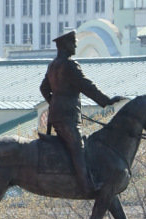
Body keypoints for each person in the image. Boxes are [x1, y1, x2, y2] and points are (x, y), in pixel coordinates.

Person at [39, 29, 123, 193]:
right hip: (67, 117)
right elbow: (87, 86)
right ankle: (86, 185)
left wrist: (54, 103)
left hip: (57, 115)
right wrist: (106, 101)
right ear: (65, 45)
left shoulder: (53, 65)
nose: (75, 46)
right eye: (73, 43)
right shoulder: (69, 65)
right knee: (78, 147)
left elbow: (43, 88)